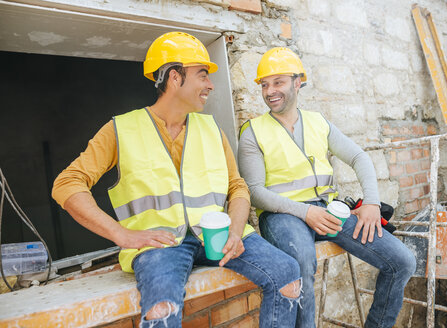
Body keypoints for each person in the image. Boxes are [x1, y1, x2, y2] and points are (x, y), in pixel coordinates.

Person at [52, 33, 302, 328]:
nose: (209, 84)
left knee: (288, 274)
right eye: (202, 75)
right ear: (174, 77)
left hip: (219, 237)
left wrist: (236, 229)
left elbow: (237, 186)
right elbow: (67, 184)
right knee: (162, 307)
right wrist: (121, 235)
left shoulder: (211, 128)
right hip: (160, 245)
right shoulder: (120, 129)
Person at [238, 47, 417, 328]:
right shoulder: (253, 131)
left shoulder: (318, 122)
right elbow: (254, 191)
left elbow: (359, 157)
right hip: (282, 216)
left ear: (298, 83)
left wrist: (371, 203)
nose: (269, 90)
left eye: (278, 82)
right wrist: (305, 213)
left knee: (403, 261)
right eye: (264, 84)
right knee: (302, 260)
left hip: (329, 211)